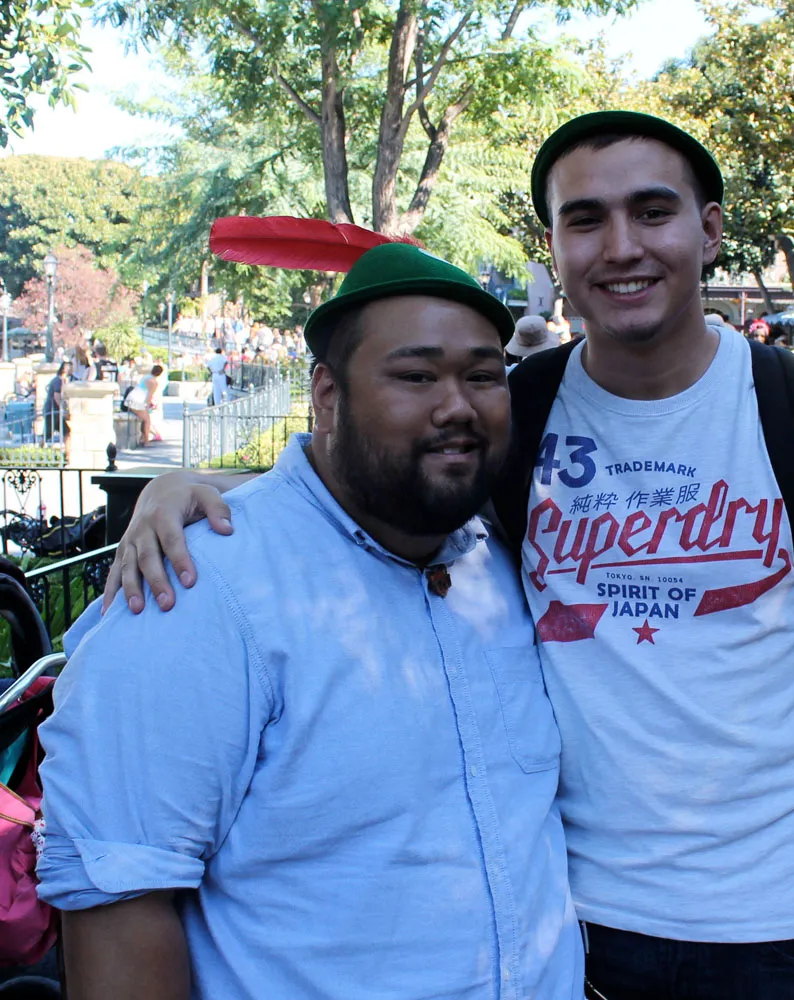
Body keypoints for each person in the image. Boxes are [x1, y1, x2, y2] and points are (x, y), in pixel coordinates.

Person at [101, 112, 794, 1000]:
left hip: (785, 917)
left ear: (710, 229)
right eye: (585, 220)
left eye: (652, 211)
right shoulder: (518, 409)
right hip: (573, 919)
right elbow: (382, 478)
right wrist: (187, 486)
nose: (621, 246)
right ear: (554, 247)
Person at [36, 243, 583, 1000]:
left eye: (483, 376)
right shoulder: (197, 592)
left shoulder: (512, 563)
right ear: (327, 394)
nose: (457, 405)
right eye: (416, 375)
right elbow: (120, 900)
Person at [124, 364, 163, 447]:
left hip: (132, 398)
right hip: (138, 401)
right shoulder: (153, 382)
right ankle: (146, 441)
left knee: (144, 419)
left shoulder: (146, 377)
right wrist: (147, 406)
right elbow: (149, 396)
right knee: (147, 420)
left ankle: (143, 438)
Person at [42, 362, 68, 442]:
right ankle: (39, 446)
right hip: (53, 411)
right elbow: (57, 396)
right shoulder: (58, 381)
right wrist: (63, 409)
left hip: (55, 412)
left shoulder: (60, 380)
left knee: (67, 432)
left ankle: (68, 449)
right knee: (48, 434)